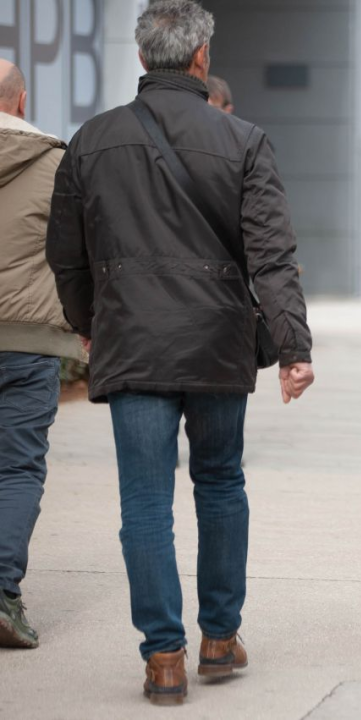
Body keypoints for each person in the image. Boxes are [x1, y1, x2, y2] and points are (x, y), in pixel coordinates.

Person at [45, 0, 314, 704]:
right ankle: (219, 639)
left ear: (141, 59)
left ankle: (162, 657)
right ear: (201, 59)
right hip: (218, 343)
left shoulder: (91, 141)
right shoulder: (244, 139)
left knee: (144, 501)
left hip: (130, 340)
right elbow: (274, 258)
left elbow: (65, 255)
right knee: (221, 483)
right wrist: (292, 346)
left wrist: (89, 324)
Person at [0, 59, 83, 650]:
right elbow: (80, 252)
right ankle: (2, 594)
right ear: (22, 101)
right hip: (28, 343)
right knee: (17, 468)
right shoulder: (57, 164)